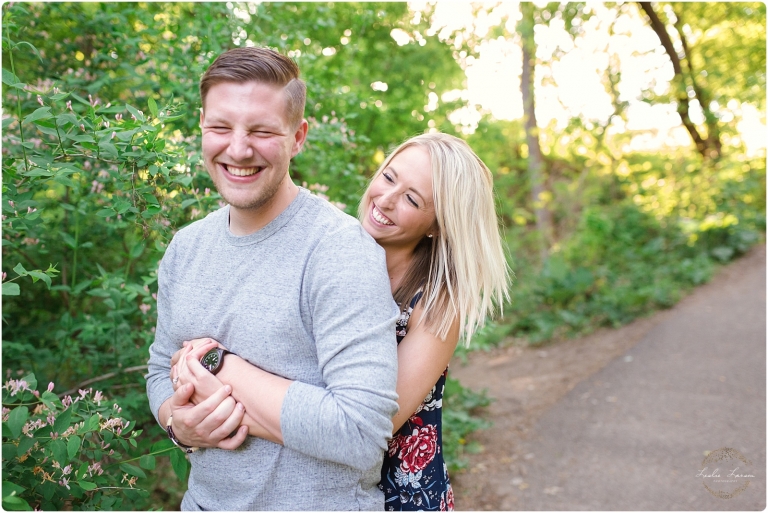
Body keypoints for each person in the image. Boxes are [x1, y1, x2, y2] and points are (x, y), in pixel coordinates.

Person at [173, 132, 510, 511]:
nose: (386, 199)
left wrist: (219, 380)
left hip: (398, 494)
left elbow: (363, 429)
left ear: (438, 225)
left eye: (412, 199)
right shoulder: (327, 253)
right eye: (388, 177)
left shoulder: (435, 304)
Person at [145, 46, 400, 511]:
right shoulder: (185, 248)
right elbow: (162, 367)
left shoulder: (339, 250)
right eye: (220, 128)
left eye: (261, 131)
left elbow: (360, 434)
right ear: (201, 125)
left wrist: (220, 368)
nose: (238, 149)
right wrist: (177, 424)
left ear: (297, 137)